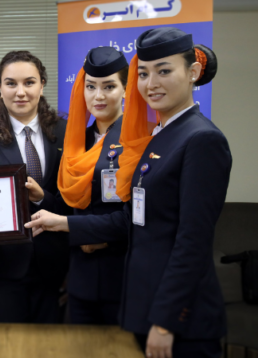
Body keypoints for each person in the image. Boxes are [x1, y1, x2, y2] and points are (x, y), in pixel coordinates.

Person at [26, 27, 231, 358]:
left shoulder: (201, 139)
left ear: (192, 72)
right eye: (145, 73)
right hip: (140, 301)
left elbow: (191, 242)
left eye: (164, 71)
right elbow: (143, 221)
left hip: (177, 318)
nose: (152, 84)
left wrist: (165, 323)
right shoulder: (164, 135)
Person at [0, 50, 70, 323]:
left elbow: (73, 198)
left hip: (54, 263)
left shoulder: (67, 132)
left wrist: (42, 197)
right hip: (0, 265)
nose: (20, 92)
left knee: (50, 348)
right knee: (4, 346)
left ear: (42, 85)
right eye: (11, 83)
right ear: (0, 88)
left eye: (29, 82)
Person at [56, 46, 129, 325]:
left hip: (122, 275)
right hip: (80, 277)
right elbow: (66, 206)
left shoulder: (141, 139)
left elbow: (144, 213)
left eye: (109, 86)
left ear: (125, 89)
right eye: (90, 86)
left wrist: (99, 235)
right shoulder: (74, 141)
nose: (98, 96)